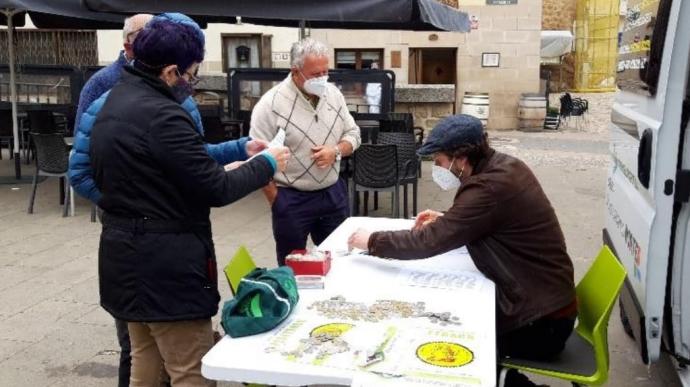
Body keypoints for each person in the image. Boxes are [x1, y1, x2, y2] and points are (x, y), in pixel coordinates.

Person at [68, 13, 266, 387]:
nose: (191, 83)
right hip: (165, 266)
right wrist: (266, 163)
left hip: (124, 256)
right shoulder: (161, 113)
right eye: (191, 74)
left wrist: (239, 148)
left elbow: (180, 155)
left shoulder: (116, 100)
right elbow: (216, 189)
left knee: (146, 360)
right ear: (171, 71)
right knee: (192, 368)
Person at [348, 114, 576, 387]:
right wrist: (448, 219)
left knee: (445, 342)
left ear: (461, 158)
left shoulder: (488, 187)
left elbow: (427, 242)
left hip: (540, 322)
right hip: (546, 303)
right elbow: (482, 217)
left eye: (440, 161)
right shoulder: (503, 167)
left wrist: (372, 240)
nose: (437, 168)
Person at [250, 38, 361, 265]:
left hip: (332, 193)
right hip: (292, 197)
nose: (322, 79)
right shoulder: (270, 104)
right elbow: (256, 157)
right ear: (295, 71)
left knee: (341, 261)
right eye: (315, 74)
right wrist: (276, 200)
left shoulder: (334, 95)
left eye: (325, 71)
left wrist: (336, 151)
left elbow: (354, 134)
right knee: (292, 267)